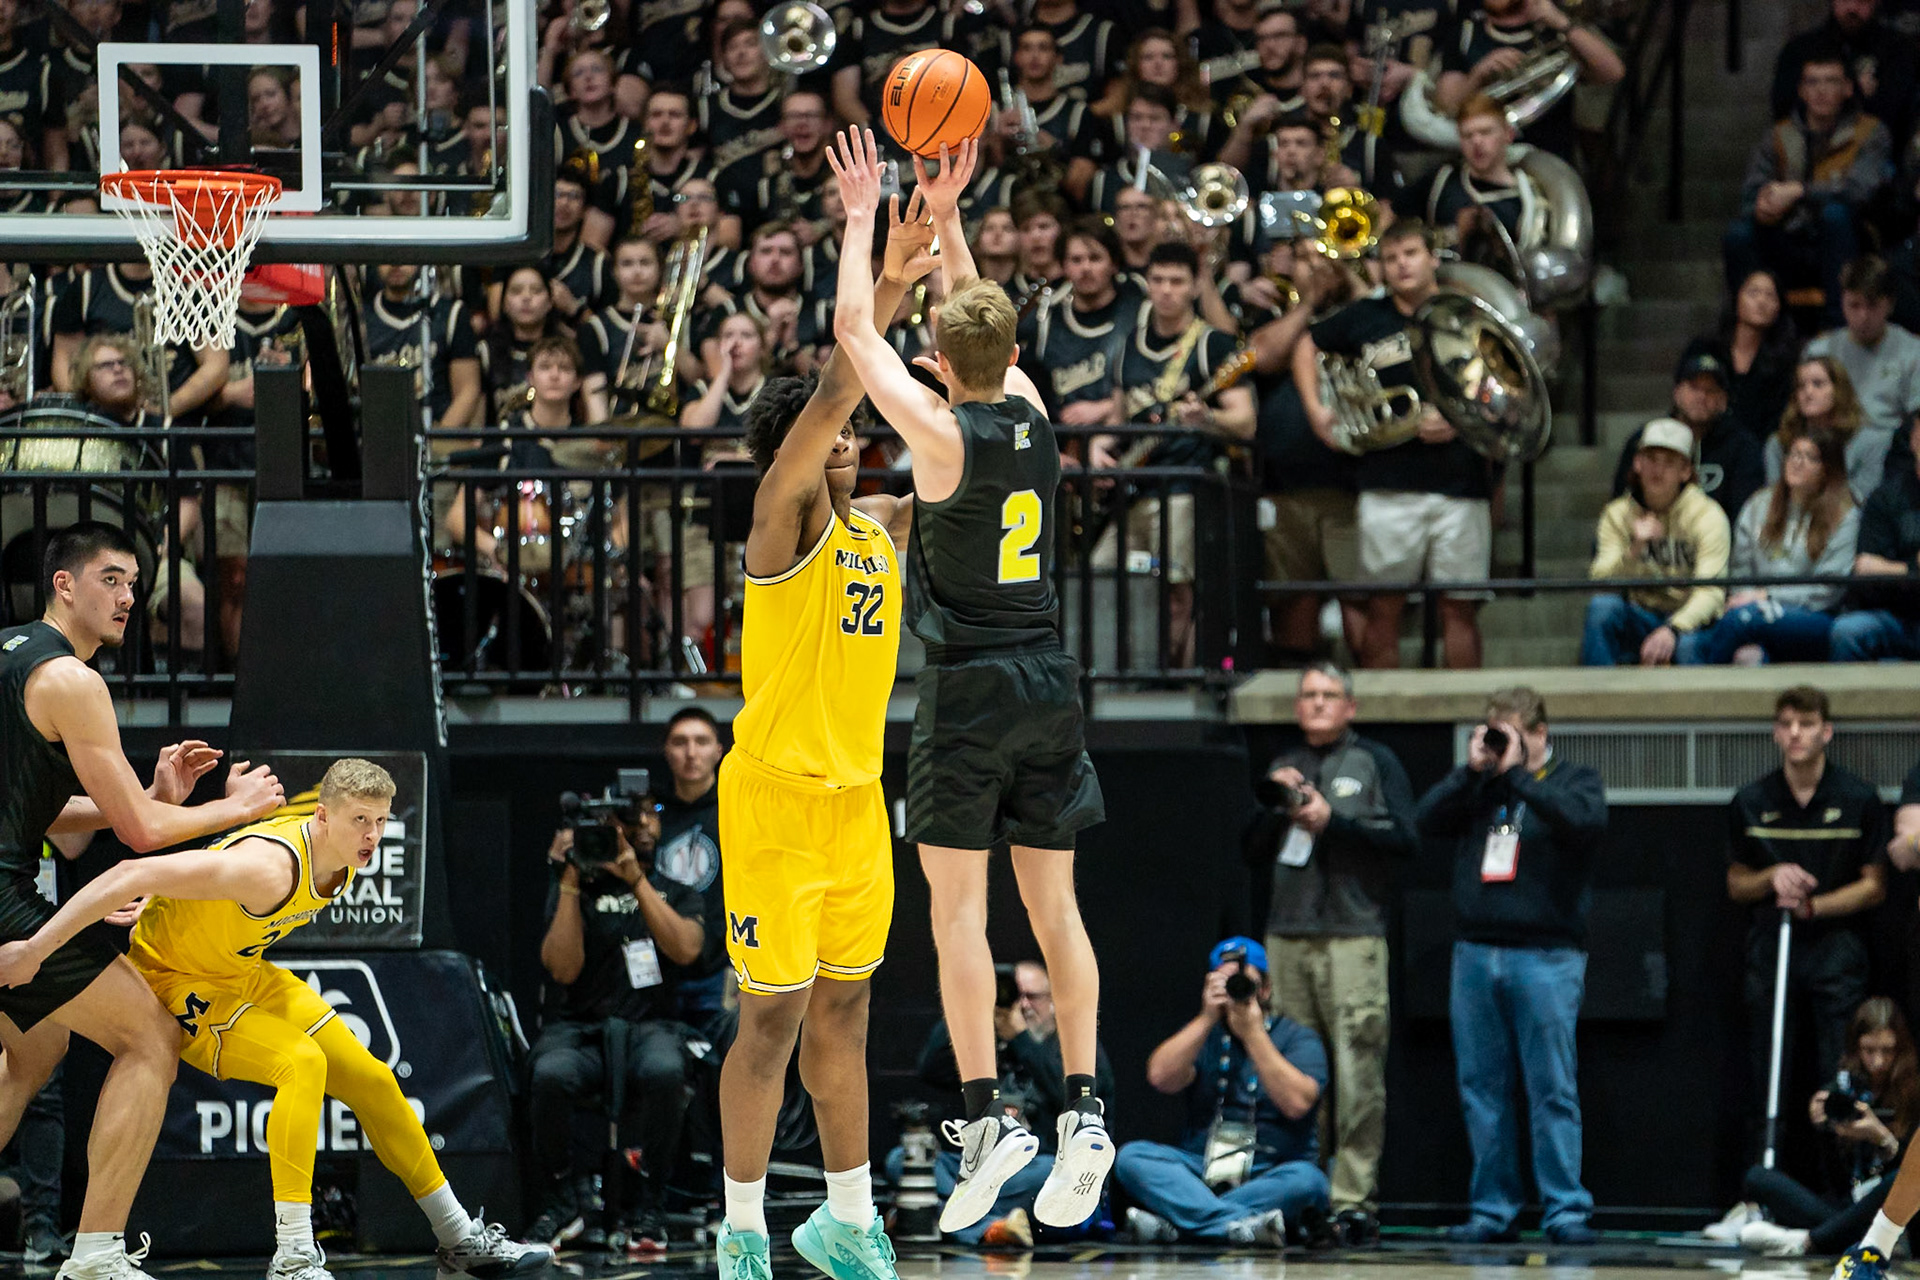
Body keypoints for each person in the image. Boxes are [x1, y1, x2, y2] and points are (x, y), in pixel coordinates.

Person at [826, 131, 1110, 1233]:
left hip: (972, 686)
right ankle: (1086, 1108)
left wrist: (864, 215)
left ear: (939, 359)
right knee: (1057, 905)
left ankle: (991, 1120)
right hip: (1050, 675)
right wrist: (945, 212)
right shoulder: (1032, 404)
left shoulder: (939, 438)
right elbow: (972, 312)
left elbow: (859, 331)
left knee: (957, 910)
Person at [0, 759, 548, 1280]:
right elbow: (126, 871)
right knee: (300, 1062)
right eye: (360, 821)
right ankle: (292, 1253)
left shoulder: (342, 844)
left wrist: (176, 890)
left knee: (373, 1079)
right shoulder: (269, 868)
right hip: (176, 979)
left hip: (238, 968)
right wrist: (35, 948)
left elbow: (241, 840)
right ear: (324, 818)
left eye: (380, 823)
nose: (371, 836)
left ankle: (458, 1236)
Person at [711, 180, 929, 1280]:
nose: (851, 446)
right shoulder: (781, 520)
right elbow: (844, 382)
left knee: (847, 1011)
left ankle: (848, 1216)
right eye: (836, 437)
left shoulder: (885, 525)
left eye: (855, 439)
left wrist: (942, 273)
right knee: (771, 1021)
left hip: (854, 804)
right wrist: (876, 271)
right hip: (774, 801)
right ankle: (742, 1226)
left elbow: (963, 438)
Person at [0, 521, 285, 1280]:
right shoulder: (72, 681)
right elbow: (142, 834)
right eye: (111, 580)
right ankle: (94, 1254)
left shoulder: (10, 654)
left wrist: (149, 792)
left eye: (135, 583)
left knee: (33, 1053)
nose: (129, 597)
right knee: (151, 1040)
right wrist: (237, 809)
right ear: (64, 584)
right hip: (3, 899)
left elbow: (43, 811)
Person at [1416, 686, 1607, 1245]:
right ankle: (1492, 1211)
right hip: (1476, 953)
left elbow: (1582, 824)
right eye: (1492, 732)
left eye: (1511, 734)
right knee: (1481, 1087)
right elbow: (1425, 820)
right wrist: (1471, 771)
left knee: (1552, 1087)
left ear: (1540, 735)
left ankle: (1565, 1210)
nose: (1500, 745)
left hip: (1547, 956)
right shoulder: (1480, 788)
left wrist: (1520, 774)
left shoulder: (1574, 780)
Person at [1240, 662, 1414, 1247]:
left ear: (1350, 707)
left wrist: (1331, 822)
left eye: (1327, 695)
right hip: (1287, 935)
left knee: (1357, 1072)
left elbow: (1405, 841)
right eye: (1307, 695)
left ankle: (1352, 1201)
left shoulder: (1373, 762)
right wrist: (1277, 808)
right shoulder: (1282, 766)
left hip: (1352, 936)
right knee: (1295, 1073)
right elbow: (1250, 850)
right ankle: (1302, 1192)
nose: (1316, 703)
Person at [1297, 220, 1491, 670]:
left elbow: (1500, 381)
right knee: (1385, 607)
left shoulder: (1465, 312)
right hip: (1387, 482)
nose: (1401, 265)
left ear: (1431, 259)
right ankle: (1381, 715)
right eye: (1390, 258)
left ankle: (1464, 719)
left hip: (1460, 482)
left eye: (1410, 254)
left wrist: (1461, 418)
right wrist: (1315, 410)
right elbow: (1308, 344)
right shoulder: (1366, 316)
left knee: (1457, 608)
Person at [523, 787, 706, 1252]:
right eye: (631, 819)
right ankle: (563, 1200)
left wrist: (635, 881)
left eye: (652, 815)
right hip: (581, 1028)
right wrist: (567, 880)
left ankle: (651, 1204)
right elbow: (561, 968)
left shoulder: (676, 889)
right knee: (549, 1072)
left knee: (666, 1072)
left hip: (652, 1027)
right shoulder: (574, 887)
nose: (643, 826)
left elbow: (686, 949)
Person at [1728, 685, 1888, 1154]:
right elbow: (1736, 883)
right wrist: (1772, 877)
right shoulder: (1751, 800)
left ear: (1827, 731)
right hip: (1771, 947)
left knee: (1836, 1070)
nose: (1795, 733)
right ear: (1776, 733)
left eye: (1806, 723)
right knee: (1767, 1068)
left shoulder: (1858, 798)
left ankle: (1842, 1193)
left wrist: (1815, 906)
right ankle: (1765, 1187)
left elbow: (1874, 885)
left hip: (1837, 948)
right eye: (1785, 724)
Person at [1114, 938, 1329, 1247]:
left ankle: (1181, 1222)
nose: (1236, 991)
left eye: (1245, 984)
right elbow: (1160, 1077)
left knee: (1308, 1182)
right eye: (1226, 983)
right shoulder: (1205, 1035)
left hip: (1269, 1169)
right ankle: (1235, 1226)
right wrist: (1206, 1017)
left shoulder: (1297, 1038)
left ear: (1265, 989)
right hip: (1200, 1167)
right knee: (1133, 1157)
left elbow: (1297, 1104)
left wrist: (1253, 1034)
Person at [892, 961, 1116, 1249]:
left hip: (1042, 1167)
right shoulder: (987, 1050)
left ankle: (935, 1215)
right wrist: (970, 1012)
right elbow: (930, 1069)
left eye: (1031, 996)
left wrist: (1020, 1038)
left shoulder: (1076, 1050)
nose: (1021, 1006)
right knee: (906, 1160)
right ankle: (992, 1227)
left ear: (1053, 1001)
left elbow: (1065, 1095)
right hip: (986, 1169)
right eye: (1012, 995)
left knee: (1052, 1172)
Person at [1728, 998, 1917, 1257]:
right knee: (1758, 1178)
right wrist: (1828, 1130)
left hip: (1895, 1210)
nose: (1878, 1062)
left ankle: (1808, 1242)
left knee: (1899, 1181)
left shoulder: (1913, 1091)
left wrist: (1883, 1139)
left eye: (1887, 1051)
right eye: (1869, 1050)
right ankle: (1842, 1236)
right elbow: (1835, 1185)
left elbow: (1912, 1176)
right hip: (1849, 1209)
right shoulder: (1845, 1087)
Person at [1726, 50, 1892, 326]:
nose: (1821, 91)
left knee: (1835, 215)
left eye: (1831, 82)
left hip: (1846, 241)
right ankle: (1741, 328)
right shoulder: (1779, 135)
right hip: (1790, 239)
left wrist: (1799, 191)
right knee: (1739, 234)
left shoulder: (1870, 132)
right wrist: (1763, 205)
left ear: (1848, 88)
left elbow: (1861, 190)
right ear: (1802, 90)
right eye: (1813, 83)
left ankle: (1838, 325)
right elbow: (1751, 192)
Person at [1684, 427, 1860, 664]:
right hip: (1753, 612)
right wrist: (1747, 597)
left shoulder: (1844, 515)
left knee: (1743, 620)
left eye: (1811, 457)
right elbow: (1740, 571)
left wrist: (1766, 596)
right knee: (1689, 644)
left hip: (1814, 616)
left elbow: (1828, 589)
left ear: (1828, 469)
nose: (1798, 462)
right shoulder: (1759, 505)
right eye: (1794, 454)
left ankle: (1703, 695)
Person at [1581, 417, 1731, 666]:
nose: (1657, 470)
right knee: (1601, 610)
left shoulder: (1707, 515)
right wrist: (1634, 549)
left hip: (1689, 618)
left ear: (1685, 471)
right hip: (1641, 614)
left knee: (1688, 646)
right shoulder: (1618, 514)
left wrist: (1673, 629)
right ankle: (1597, 701)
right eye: (1651, 459)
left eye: (1669, 462)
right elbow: (1600, 578)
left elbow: (1711, 592)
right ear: (1637, 463)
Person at [1608, 342, 1766, 524]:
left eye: (1710, 390)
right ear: (1676, 393)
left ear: (1723, 400)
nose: (1701, 397)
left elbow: (1745, 517)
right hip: (1650, 541)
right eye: (1694, 387)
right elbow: (1621, 506)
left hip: (1717, 543)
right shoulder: (1645, 442)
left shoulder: (1743, 447)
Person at [1804, 257, 1920, 483]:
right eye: (1854, 305)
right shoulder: (1820, 351)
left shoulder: (1913, 352)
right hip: (1830, 445)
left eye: (1873, 305)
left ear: (1890, 304)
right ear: (1842, 301)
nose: (1863, 316)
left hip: (1887, 451)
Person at [654, 707, 729, 1034]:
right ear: (666, 751)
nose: (691, 752)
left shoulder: (737, 810)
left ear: (718, 751)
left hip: (721, 969)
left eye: (701, 741)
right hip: (658, 971)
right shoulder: (649, 815)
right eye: (680, 742)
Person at [1831, 415, 1920, 660]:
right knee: (1848, 631)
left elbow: (1880, 567)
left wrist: (1894, 569)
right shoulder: (1886, 498)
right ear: (1912, 440)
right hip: (1896, 616)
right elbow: (1866, 571)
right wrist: (1913, 567)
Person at [1721, 270, 1804, 445]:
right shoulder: (1708, 349)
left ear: (1779, 307)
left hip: (1762, 447)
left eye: (1770, 296)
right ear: (1736, 298)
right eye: (1753, 293)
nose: (1761, 301)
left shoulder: (1786, 360)